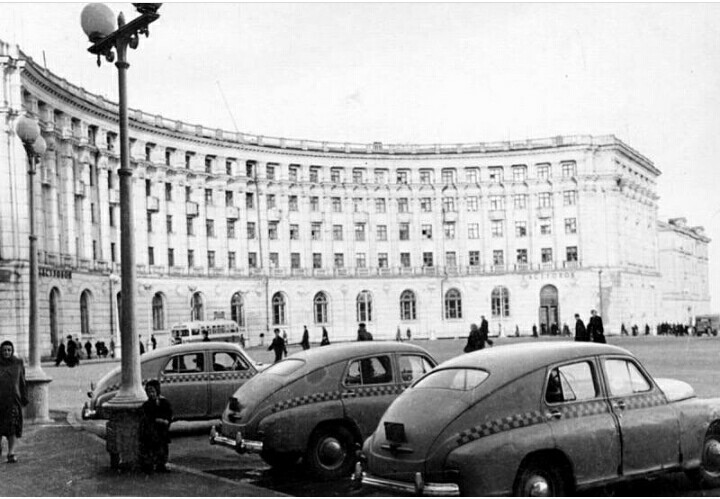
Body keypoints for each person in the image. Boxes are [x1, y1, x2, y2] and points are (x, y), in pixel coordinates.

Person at [0, 341, 29, 463]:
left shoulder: (18, 363)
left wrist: (24, 397)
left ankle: (11, 453)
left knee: (12, 428)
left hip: (13, 401)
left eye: (9, 350)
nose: (7, 352)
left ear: (12, 351)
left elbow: (22, 381)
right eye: (4, 350)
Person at [139, 380, 173, 473]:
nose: (151, 394)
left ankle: (161, 463)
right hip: (152, 430)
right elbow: (147, 417)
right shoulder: (147, 405)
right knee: (152, 447)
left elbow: (169, 414)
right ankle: (151, 463)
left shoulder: (164, 402)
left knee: (162, 447)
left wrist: (165, 421)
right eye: (149, 392)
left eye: (153, 392)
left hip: (161, 429)